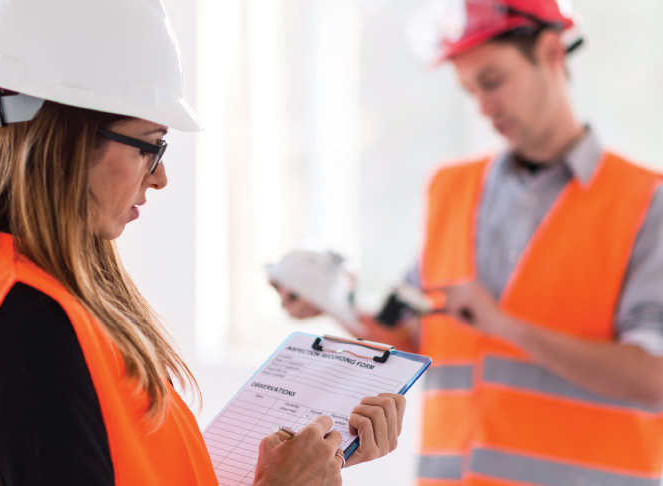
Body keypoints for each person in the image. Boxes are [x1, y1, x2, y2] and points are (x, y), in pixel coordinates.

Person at [0, 0, 407, 485]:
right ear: (70, 137)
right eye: (150, 144)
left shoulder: (17, 294)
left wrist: (307, 464)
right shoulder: (30, 325)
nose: (160, 177)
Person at [274, 0, 663, 484]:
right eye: (470, 90)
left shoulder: (647, 202)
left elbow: (654, 377)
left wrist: (504, 325)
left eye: (493, 81)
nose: (483, 107)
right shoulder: (450, 191)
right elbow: (411, 341)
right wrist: (336, 307)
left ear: (550, 52)